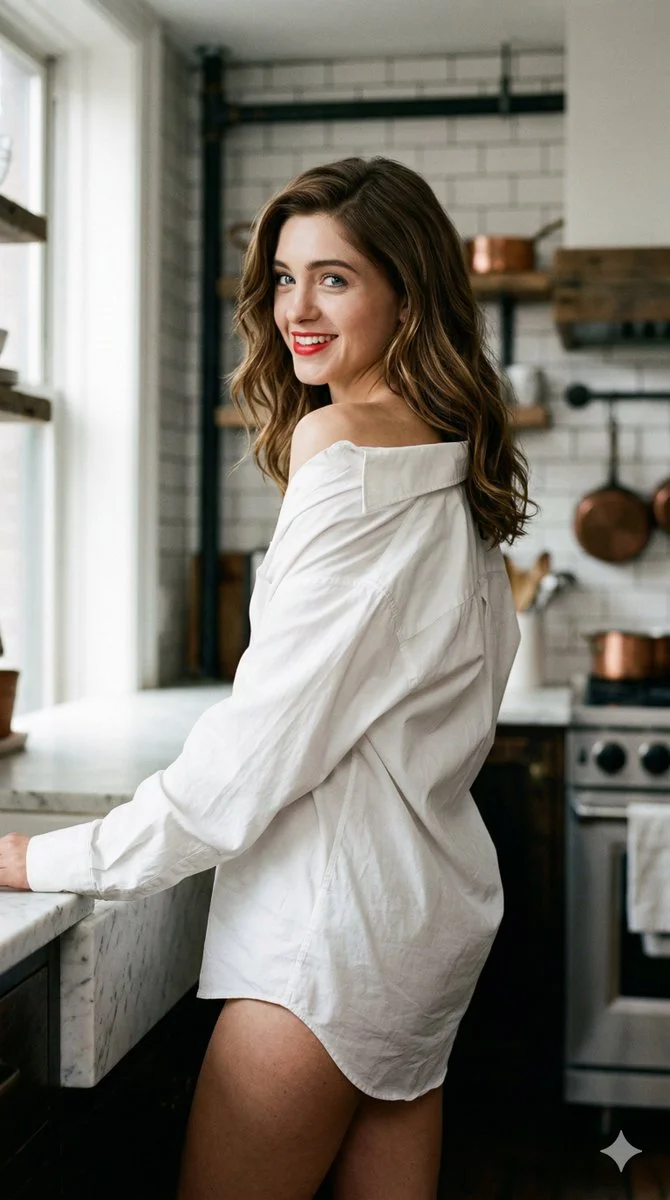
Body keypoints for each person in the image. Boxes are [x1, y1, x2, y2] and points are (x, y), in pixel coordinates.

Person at [0, 156, 531, 1199]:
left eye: (335, 278)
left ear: (407, 293)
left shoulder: (345, 452)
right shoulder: (452, 465)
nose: (297, 309)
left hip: (324, 943)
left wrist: (36, 859)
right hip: (422, 917)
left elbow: (243, 770)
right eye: (285, 277)